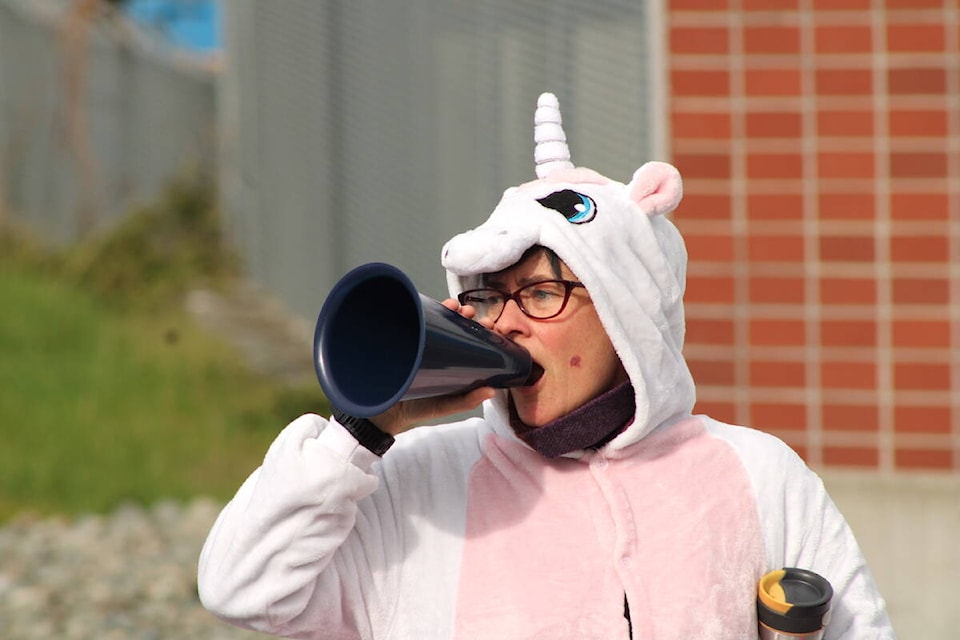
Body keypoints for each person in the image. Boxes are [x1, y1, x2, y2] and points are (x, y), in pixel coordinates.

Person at [198, 93, 895, 639]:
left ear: (628, 313)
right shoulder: (415, 482)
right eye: (488, 297)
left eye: (540, 293)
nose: (505, 322)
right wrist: (361, 431)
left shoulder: (756, 474)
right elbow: (240, 589)